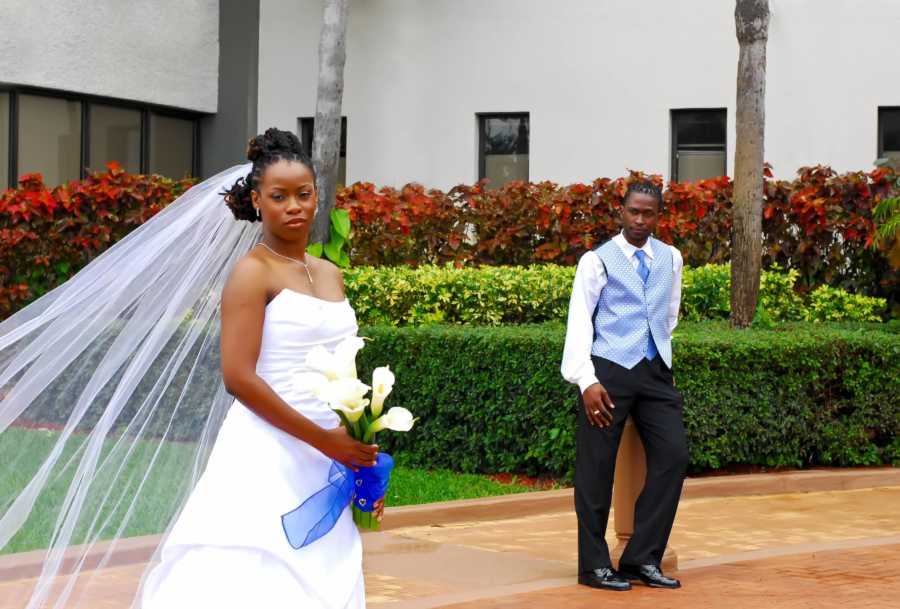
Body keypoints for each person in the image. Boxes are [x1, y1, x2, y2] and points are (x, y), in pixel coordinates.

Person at [0, 129, 380, 609]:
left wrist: (356, 439)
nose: (294, 206)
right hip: (270, 448)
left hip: (329, 452)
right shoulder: (251, 273)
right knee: (254, 576)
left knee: (326, 572)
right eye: (279, 196)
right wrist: (322, 439)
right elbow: (238, 377)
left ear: (318, 196)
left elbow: (345, 365)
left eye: (303, 194)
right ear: (257, 201)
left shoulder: (329, 273)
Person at [560, 181, 688, 592]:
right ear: (622, 211)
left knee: (674, 455)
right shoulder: (595, 261)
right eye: (633, 211)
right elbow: (580, 320)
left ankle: (641, 558)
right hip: (608, 373)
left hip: (655, 372)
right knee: (597, 470)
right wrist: (586, 380)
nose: (639, 220)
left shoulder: (671, 257)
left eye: (648, 213)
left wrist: (658, 353)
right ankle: (593, 566)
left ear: (658, 215)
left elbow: (670, 314)